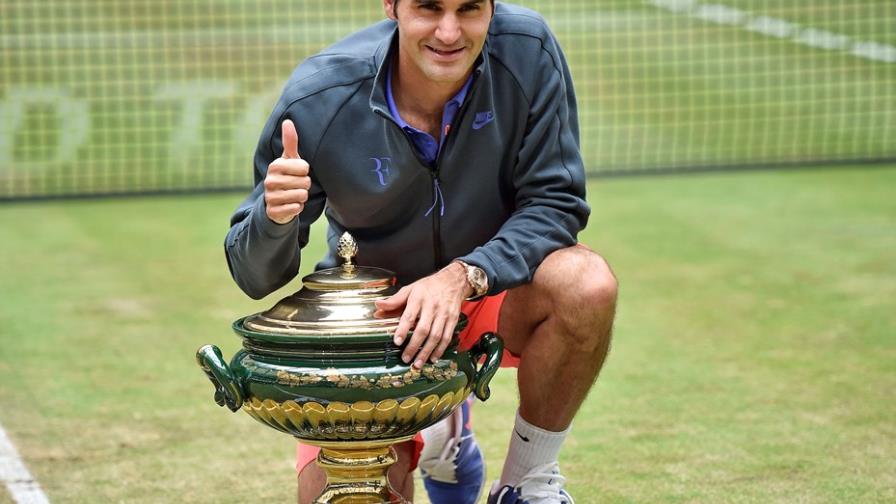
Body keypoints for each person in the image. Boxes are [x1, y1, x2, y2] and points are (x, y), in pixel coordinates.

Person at [225, 0, 617, 502]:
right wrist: (274, 220)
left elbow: (556, 202)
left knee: (585, 283)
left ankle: (526, 482)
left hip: (491, 288)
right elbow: (253, 274)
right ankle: (438, 425)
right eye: (429, 8)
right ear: (391, 5)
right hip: (382, 328)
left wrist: (464, 276)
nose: (449, 31)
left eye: (469, 8)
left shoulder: (527, 49)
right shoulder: (319, 97)